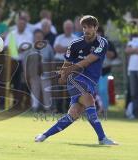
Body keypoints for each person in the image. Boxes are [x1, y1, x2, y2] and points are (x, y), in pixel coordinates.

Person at [35, 15, 117, 145]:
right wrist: (63, 76)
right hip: (76, 79)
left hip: (90, 81)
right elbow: (66, 63)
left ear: (96, 28)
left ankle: (44, 135)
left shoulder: (102, 43)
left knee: (74, 114)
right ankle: (102, 138)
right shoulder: (74, 44)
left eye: (90, 27)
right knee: (89, 100)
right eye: (84, 27)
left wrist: (66, 71)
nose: (86, 30)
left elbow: (88, 60)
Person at [97, 26, 117, 111]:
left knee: (103, 90)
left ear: (101, 33)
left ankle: (104, 109)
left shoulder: (108, 43)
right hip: (93, 71)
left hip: (105, 71)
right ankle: (95, 109)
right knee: (94, 92)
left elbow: (114, 55)